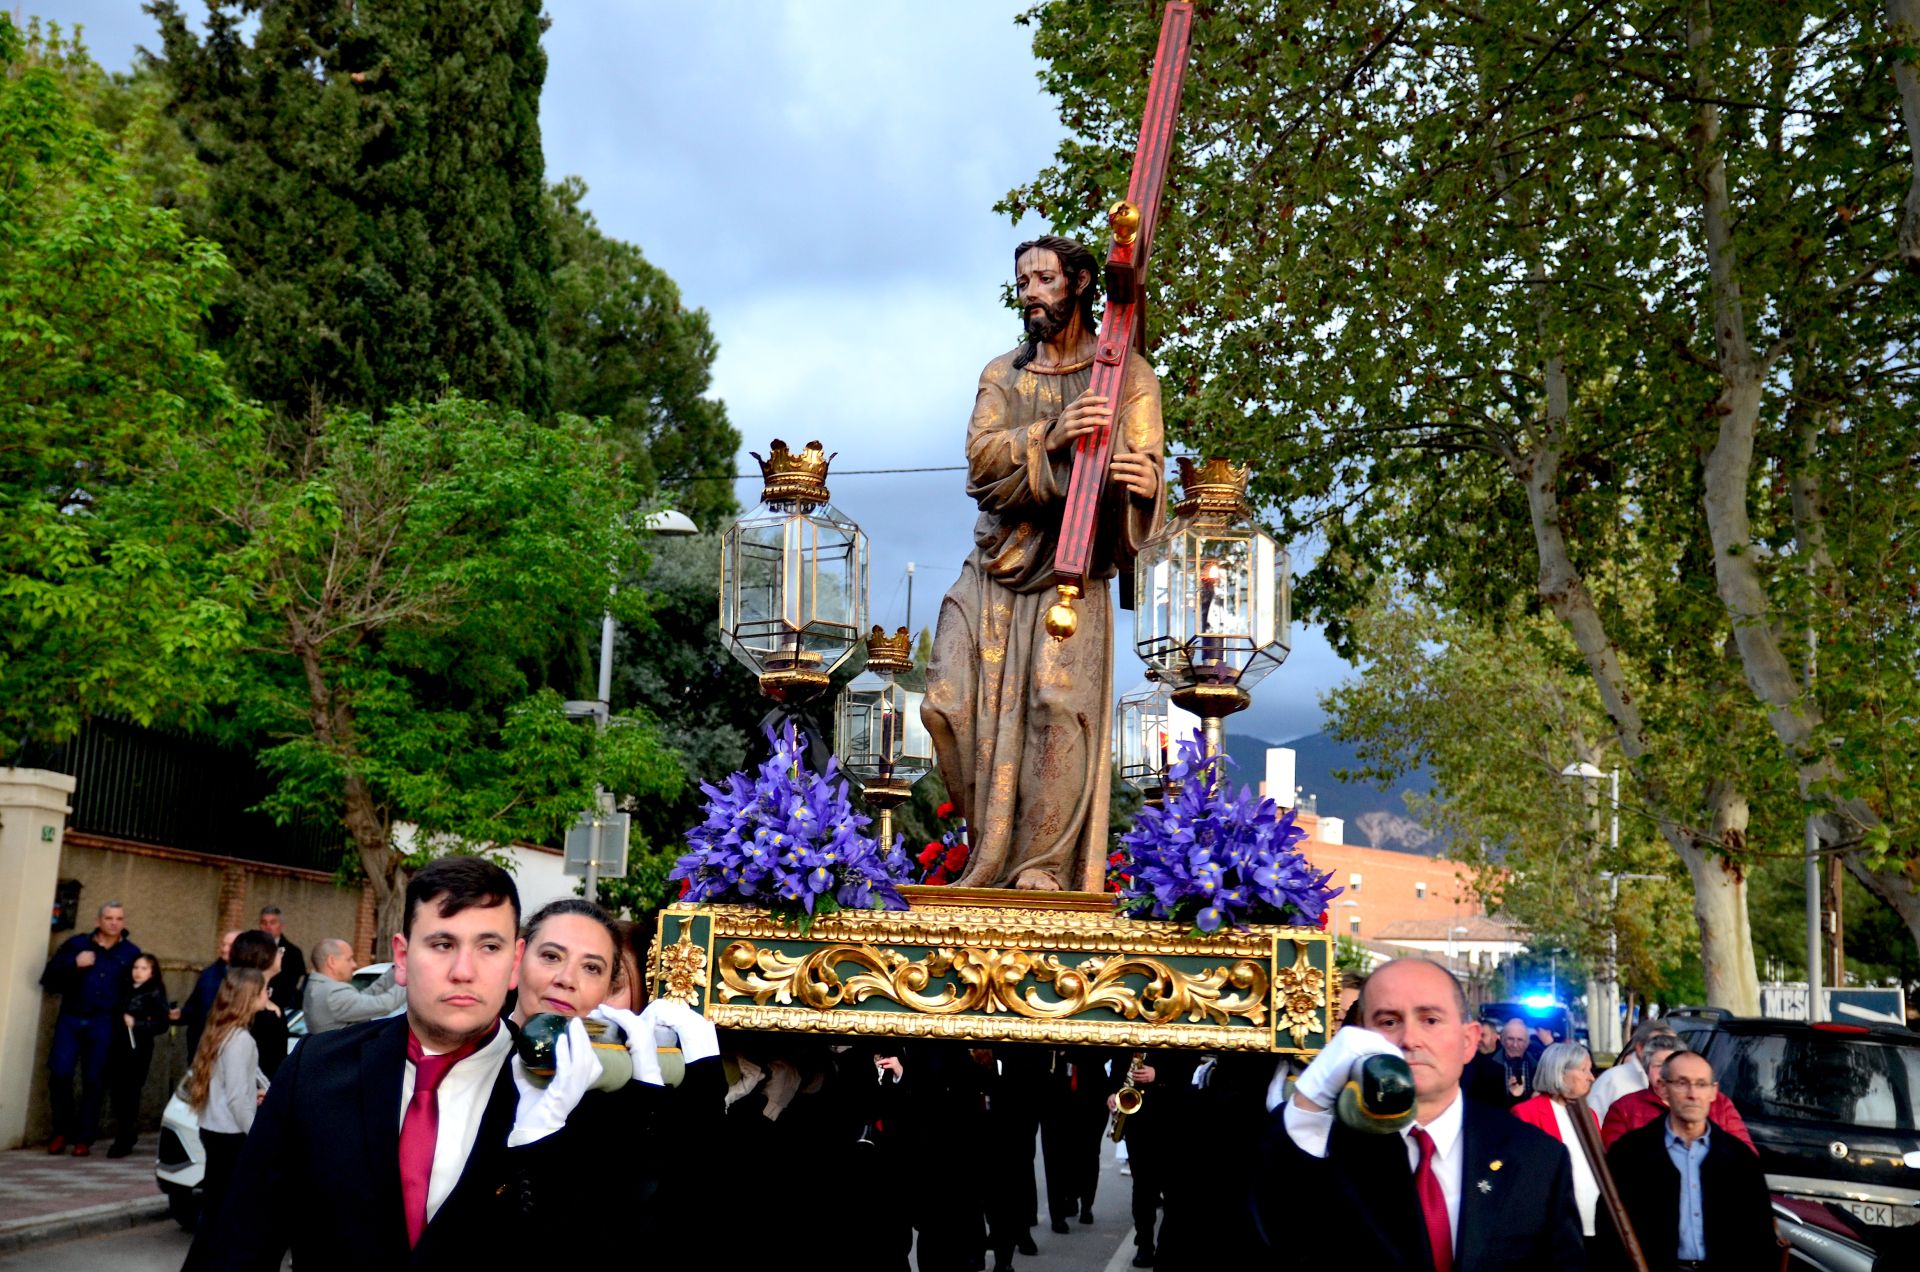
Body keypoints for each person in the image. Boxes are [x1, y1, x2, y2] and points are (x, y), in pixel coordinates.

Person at [183, 856, 596, 1268]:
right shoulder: (314, 1072)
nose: (463, 971)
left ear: (515, 962)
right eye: (442, 944)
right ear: (401, 957)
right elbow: (239, 1246)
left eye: (489, 947)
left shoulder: (561, 1090)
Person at [922, 233, 1166, 891]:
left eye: (1044, 280)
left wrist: (1145, 487)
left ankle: (1041, 868)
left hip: (1071, 573)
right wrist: (1050, 435)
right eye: (1023, 283)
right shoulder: (1003, 374)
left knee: (1056, 707)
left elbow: (1144, 472)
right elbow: (980, 463)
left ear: (1080, 284)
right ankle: (989, 850)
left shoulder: (1129, 377)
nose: (1030, 293)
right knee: (944, 703)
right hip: (995, 564)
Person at [1254, 957, 1587, 1270]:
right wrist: (1310, 1100)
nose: (1409, 1039)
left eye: (1430, 1020)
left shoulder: (1537, 1157)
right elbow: (1275, 1232)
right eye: (1388, 1022)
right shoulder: (1329, 1149)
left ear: (1469, 1041)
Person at [1594, 1050, 1777, 1271]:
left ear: (1713, 1092)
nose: (1693, 1094)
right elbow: (1608, 1229)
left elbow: (1761, 1237)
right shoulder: (1630, 1153)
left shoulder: (1740, 1159)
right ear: (1663, 1088)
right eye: (1682, 1083)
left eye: (1701, 1084)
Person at [39, 900, 143, 1155]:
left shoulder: (131, 953)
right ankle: (61, 1131)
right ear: (98, 921)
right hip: (72, 1017)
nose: (114, 923)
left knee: (94, 1079)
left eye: (119, 918)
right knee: (60, 1074)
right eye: (109, 918)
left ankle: (84, 1138)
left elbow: (138, 988)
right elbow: (49, 978)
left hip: (104, 1021)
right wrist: (74, 964)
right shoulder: (77, 945)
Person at [187, 968, 268, 1230]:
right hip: (230, 1134)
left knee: (214, 1204)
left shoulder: (220, 1031)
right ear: (250, 997)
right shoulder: (240, 1039)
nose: (267, 995)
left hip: (213, 1127)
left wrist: (255, 1091)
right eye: (264, 990)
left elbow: (230, 1085)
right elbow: (236, 1098)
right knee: (226, 1208)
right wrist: (257, 1135)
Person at [1508, 1042, 1603, 1241]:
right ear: (1560, 1072)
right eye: (1584, 1070)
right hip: (1555, 1225)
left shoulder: (1589, 1114)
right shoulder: (1527, 1113)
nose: (1591, 1077)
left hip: (1594, 1218)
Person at [1600, 1037, 1754, 1152]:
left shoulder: (1720, 1103)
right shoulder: (1624, 1108)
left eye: (1675, 1066)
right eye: (1659, 1065)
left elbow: (1746, 1157)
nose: (1666, 1072)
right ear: (1647, 1070)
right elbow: (1616, 1165)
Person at [106, 952, 175, 1158]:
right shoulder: (125, 989)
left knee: (130, 1092)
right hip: (118, 1045)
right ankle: (126, 1132)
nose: (138, 972)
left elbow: (162, 1024)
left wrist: (137, 1023)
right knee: (117, 1092)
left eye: (144, 968)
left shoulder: (154, 992)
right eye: (136, 967)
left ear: (152, 972)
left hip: (138, 1048)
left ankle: (124, 1137)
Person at [302, 936, 406, 1033]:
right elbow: (384, 1005)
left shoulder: (317, 987)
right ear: (332, 961)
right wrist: (408, 974)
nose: (354, 965)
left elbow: (368, 996)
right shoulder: (332, 993)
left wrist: (398, 968)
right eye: (349, 959)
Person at [226, 929, 289, 1079]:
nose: (281, 954)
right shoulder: (252, 1010)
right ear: (264, 957)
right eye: (278, 950)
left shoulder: (267, 1003)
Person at [1587, 1018, 1675, 1125]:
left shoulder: (1679, 1081)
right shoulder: (1613, 1080)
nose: (1667, 1051)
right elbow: (1591, 1124)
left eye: (1672, 1045)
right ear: (1640, 1048)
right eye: (1658, 1045)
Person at [181, 929, 237, 1058]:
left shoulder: (247, 977)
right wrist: (180, 1014)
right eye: (223, 944)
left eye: (230, 945)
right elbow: (194, 1006)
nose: (224, 949)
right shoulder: (208, 973)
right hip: (202, 1042)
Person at [257, 904, 307, 1014]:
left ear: (281, 925)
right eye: (264, 923)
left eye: (272, 923)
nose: (268, 927)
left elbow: (296, 983)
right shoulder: (251, 949)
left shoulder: (293, 952)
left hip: (282, 1007)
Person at [1491, 1016, 1537, 1109]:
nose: (1515, 1045)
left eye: (1520, 1040)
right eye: (1510, 1039)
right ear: (1502, 1040)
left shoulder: (1537, 1066)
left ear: (1527, 1043)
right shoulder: (1487, 1066)